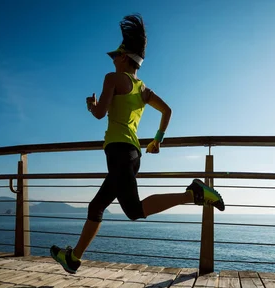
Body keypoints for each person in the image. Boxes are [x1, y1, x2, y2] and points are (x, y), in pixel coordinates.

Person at [50, 14, 225, 274]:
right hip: (132, 155)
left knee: (133, 210)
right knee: (96, 206)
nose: (111, 60)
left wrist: (91, 106)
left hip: (120, 153)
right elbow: (167, 111)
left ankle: (194, 193)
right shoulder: (143, 89)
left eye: (114, 55)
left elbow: (100, 114)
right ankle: (73, 258)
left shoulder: (113, 78)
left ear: (124, 56)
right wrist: (157, 140)